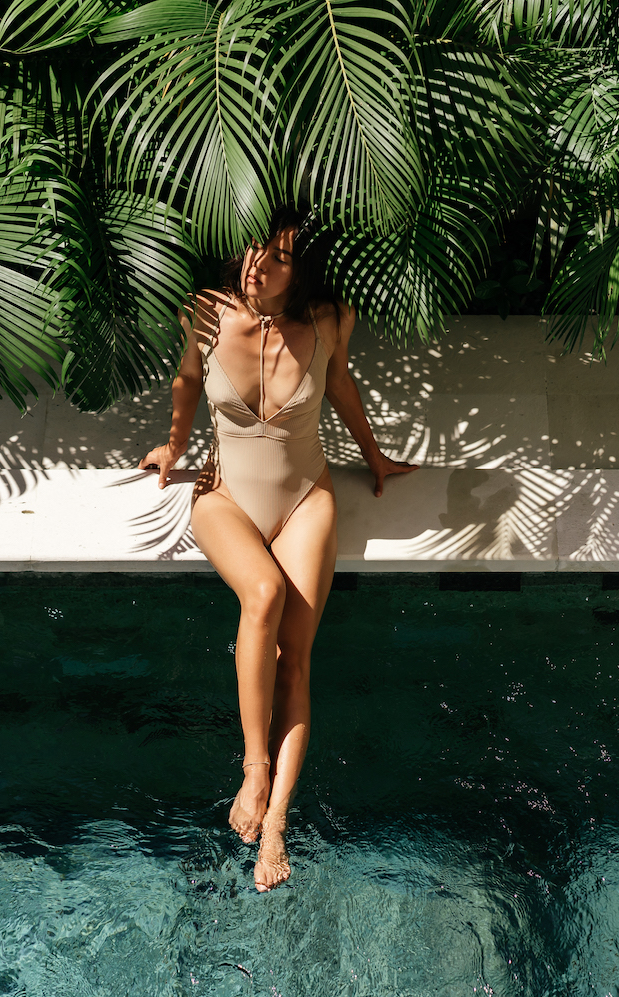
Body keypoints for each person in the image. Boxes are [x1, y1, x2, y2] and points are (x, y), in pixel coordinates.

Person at [140, 207, 417, 891]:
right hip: (224, 496)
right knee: (261, 595)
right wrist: (174, 445)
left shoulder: (325, 323)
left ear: (302, 276)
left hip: (304, 501)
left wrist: (374, 456)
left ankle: (275, 825)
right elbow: (184, 379)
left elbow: (342, 383)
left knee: (297, 661)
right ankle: (254, 766)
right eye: (254, 249)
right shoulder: (203, 312)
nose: (258, 266)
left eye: (280, 259)